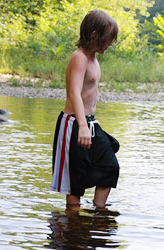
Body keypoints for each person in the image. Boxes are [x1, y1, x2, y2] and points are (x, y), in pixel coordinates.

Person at [51, 10, 120, 211]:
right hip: (73, 123)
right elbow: (73, 92)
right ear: (94, 35)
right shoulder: (79, 57)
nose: (110, 43)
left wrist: (87, 124)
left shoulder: (93, 59)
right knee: (74, 182)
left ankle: (99, 211)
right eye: (108, 38)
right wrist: (81, 125)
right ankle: (73, 227)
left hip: (89, 122)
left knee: (110, 167)